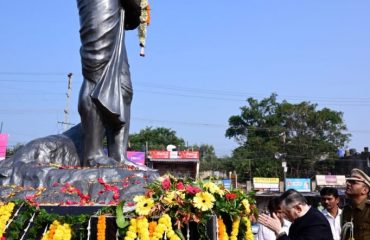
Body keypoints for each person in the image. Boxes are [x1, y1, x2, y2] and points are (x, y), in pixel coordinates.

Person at [76, 0, 142, 167]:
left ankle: (119, 155)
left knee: (124, 87)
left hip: (117, 8)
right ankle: (92, 154)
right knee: (97, 69)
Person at [258, 189, 333, 240]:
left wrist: (279, 231)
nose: (285, 216)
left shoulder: (316, 222)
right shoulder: (298, 221)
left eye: (286, 212)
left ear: (298, 209)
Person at [341, 168, 370, 240]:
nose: (348, 184)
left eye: (353, 182)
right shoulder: (346, 209)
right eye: (348, 181)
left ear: (365, 190)